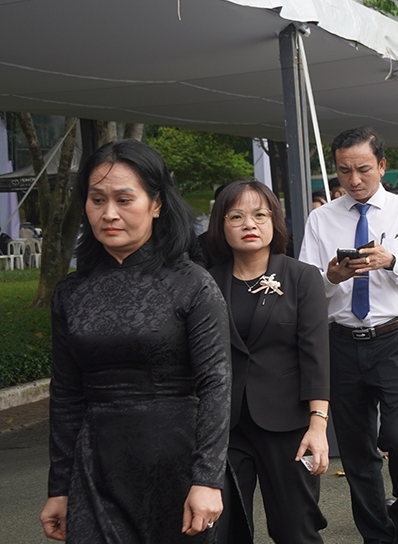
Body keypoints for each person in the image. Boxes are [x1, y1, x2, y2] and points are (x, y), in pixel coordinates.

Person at [43, 140, 230, 543]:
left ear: (156, 204)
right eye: (97, 199)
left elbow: (217, 385)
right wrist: (59, 487)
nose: (109, 213)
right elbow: (66, 394)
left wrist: (208, 478)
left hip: (176, 465)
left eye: (124, 199)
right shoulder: (71, 293)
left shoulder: (193, 284)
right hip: (95, 465)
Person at [298, 126, 398, 544]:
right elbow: (308, 285)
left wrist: (393, 260)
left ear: (381, 165)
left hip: (394, 338)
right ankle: (377, 534)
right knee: (357, 449)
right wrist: (331, 275)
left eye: (363, 169)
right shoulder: (321, 218)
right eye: (344, 172)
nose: (354, 180)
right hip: (341, 341)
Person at [206, 180, 330, 544]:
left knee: (296, 529)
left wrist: (318, 425)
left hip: (289, 426)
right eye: (236, 216)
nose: (249, 224)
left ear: (275, 222)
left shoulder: (300, 277)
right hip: (227, 428)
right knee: (225, 528)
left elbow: (316, 355)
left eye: (260, 215)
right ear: (221, 225)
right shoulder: (206, 283)